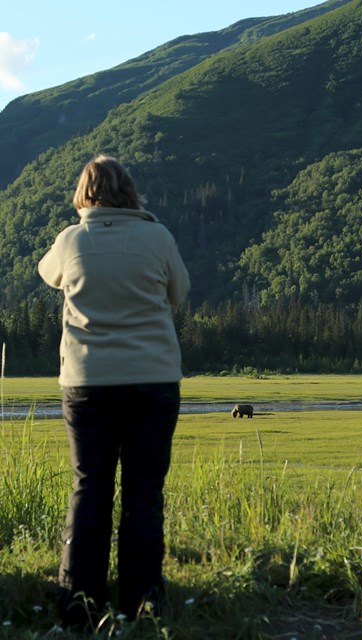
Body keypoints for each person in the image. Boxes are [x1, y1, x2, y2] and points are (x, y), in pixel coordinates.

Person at [38, 154, 191, 629]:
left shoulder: (69, 241)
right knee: (144, 494)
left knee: (90, 490)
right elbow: (178, 293)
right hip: (152, 379)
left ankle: (79, 606)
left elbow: (48, 275)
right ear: (130, 192)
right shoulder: (158, 236)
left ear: (84, 194)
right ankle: (141, 605)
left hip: (87, 384)